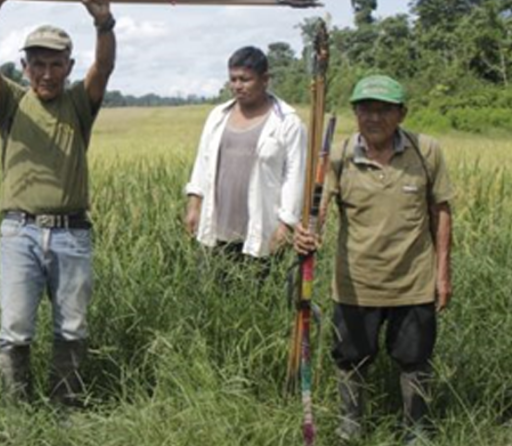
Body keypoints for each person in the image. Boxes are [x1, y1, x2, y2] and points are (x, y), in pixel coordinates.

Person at [0, 0, 115, 407]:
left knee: (72, 328)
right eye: (37, 64)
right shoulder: (10, 102)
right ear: (24, 66)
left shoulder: (79, 103)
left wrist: (103, 22)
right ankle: (18, 411)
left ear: (69, 66)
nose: (46, 73)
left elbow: (104, 67)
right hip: (20, 233)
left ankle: (65, 407)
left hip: (72, 234)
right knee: (15, 330)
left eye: (55, 64)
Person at [294, 75, 454, 444]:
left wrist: (443, 274)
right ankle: (350, 426)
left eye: (384, 110)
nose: (374, 118)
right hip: (356, 283)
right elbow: (319, 208)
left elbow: (441, 212)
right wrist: (308, 233)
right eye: (365, 109)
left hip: (413, 282)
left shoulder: (426, 151)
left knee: (415, 358)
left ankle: (416, 429)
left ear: (402, 114)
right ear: (355, 113)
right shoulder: (338, 156)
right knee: (350, 357)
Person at [184, 46, 306, 284]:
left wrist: (286, 224)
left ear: (265, 79)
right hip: (217, 229)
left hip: (263, 230)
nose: (238, 86)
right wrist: (194, 206)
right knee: (213, 292)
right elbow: (202, 163)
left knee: (259, 292)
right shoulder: (218, 116)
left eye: (245, 79)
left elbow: (295, 176)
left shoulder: (287, 122)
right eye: (233, 79)